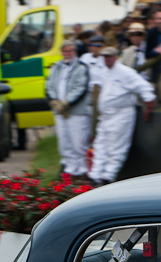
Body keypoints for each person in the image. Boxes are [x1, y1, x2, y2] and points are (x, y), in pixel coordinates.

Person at [88, 46, 156, 185]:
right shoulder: (104, 71)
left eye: (109, 56)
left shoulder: (126, 72)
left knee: (116, 147)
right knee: (100, 145)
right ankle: (95, 176)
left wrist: (149, 103)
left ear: (115, 57)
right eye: (105, 57)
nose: (107, 59)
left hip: (121, 114)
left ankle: (108, 177)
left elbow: (143, 86)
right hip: (106, 116)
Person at [46, 41, 91, 181]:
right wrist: (54, 101)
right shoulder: (56, 67)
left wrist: (66, 103)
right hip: (59, 111)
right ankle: (69, 171)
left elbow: (80, 88)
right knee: (64, 142)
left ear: (75, 52)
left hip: (76, 112)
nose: (67, 54)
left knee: (78, 143)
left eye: (69, 51)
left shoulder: (81, 68)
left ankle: (82, 171)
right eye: (65, 51)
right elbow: (49, 85)